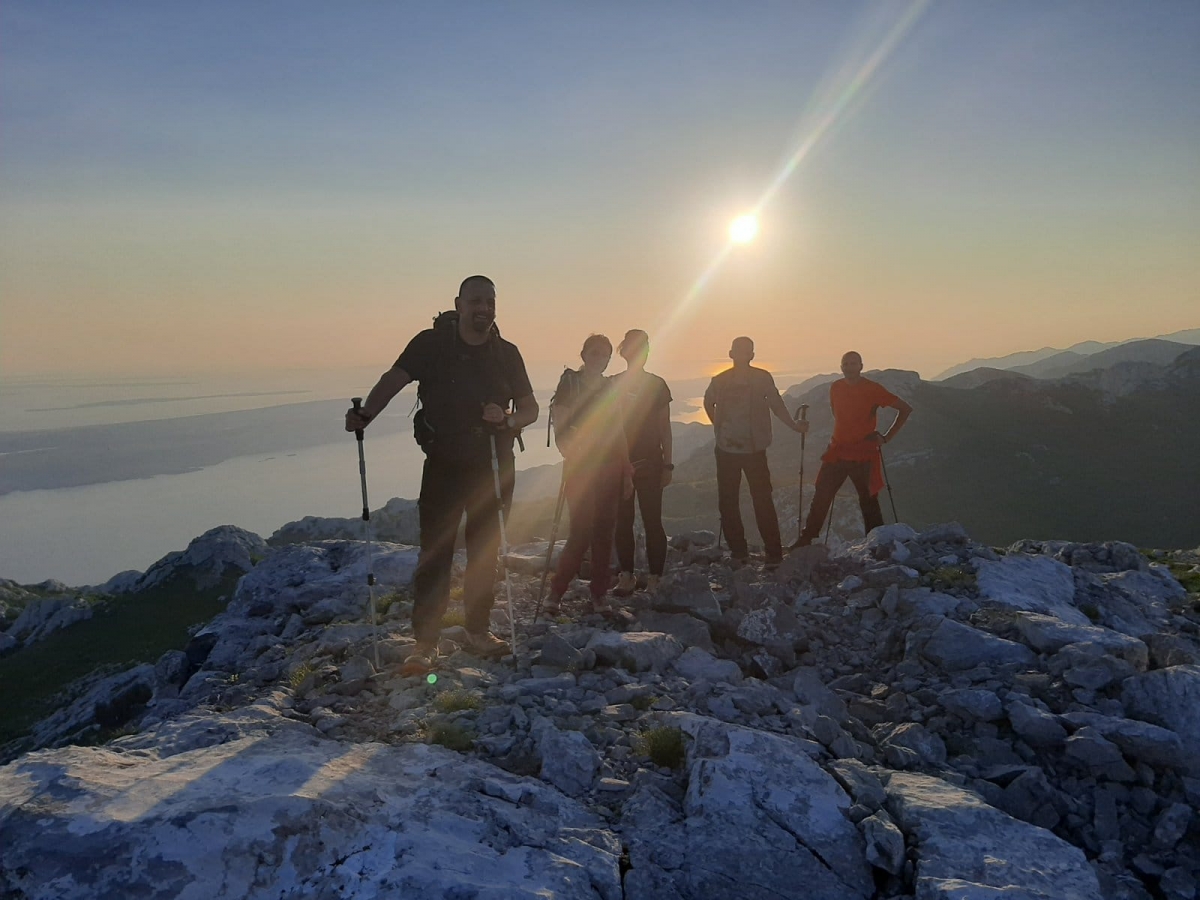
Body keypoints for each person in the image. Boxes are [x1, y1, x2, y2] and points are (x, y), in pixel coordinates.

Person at [344, 275, 538, 672]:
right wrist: (366, 415)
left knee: (485, 550)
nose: (483, 308)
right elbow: (393, 380)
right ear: (459, 303)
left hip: (493, 463)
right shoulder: (430, 344)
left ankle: (477, 631)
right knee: (436, 553)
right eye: (475, 301)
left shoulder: (507, 353)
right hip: (445, 464)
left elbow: (531, 409)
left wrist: (508, 420)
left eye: (490, 301)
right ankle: (426, 642)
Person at [544, 335, 633, 616]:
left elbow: (618, 428)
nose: (601, 359)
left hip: (609, 466)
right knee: (582, 531)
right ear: (583, 355)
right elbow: (560, 424)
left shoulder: (609, 386)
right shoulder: (570, 382)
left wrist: (627, 469)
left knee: (605, 531)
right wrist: (572, 455)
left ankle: (598, 595)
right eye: (595, 354)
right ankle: (556, 594)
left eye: (605, 355)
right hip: (582, 466)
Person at [703, 337, 809, 566]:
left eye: (745, 351)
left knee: (753, 500)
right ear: (732, 354)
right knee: (739, 501)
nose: (742, 355)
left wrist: (718, 426)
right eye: (739, 351)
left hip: (744, 449)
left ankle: (765, 552)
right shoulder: (748, 379)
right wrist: (719, 427)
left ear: (750, 354)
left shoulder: (743, 379)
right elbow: (708, 402)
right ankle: (746, 552)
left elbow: (776, 404)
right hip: (735, 449)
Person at [795, 350, 912, 545]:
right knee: (822, 496)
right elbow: (838, 415)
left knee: (868, 502)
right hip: (838, 450)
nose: (849, 367)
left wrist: (887, 437)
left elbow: (905, 408)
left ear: (861, 366)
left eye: (853, 363)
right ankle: (807, 539)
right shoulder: (836, 387)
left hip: (862, 454)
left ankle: (877, 543)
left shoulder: (873, 389)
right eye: (846, 364)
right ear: (841, 367)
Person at [612, 329, 673, 594]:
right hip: (620, 462)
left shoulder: (657, 385)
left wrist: (668, 464)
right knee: (623, 520)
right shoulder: (612, 384)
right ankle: (627, 575)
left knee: (652, 520)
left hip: (650, 461)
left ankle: (655, 577)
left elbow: (664, 428)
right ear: (624, 351)